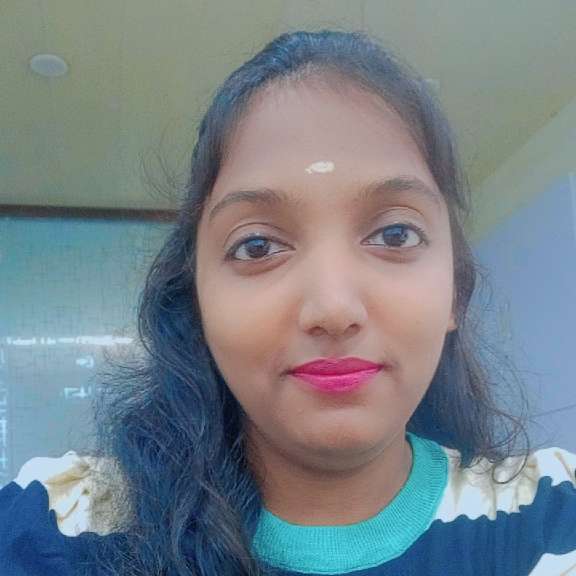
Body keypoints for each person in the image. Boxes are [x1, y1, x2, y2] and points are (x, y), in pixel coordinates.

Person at [1, 29, 575, 576]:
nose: (333, 309)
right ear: (196, 302)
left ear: (455, 291)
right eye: (257, 246)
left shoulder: (552, 518)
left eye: (395, 234)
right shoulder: (56, 528)